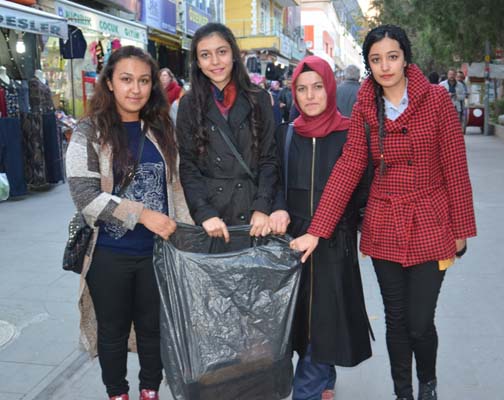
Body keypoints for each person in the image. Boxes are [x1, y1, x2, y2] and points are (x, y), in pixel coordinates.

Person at [290, 25, 477, 400]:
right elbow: (349, 167)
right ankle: (403, 393)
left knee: (420, 323)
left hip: (431, 225)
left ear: (406, 57)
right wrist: (318, 229)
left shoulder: (437, 101)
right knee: (395, 320)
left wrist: (461, 229)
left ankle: (428, 382)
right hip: (384, 227)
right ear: (369, 65)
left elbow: (455, 168)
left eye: (392, 56)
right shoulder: (364, 105)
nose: (385, 66)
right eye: (376, 59)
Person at [65, 46, 193, 400]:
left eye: (143, 81)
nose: (135, 89)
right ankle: (117, 393)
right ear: (108, 83)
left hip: (157, 254)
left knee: (155, 330)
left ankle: (149, 391)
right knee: (113, 331)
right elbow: (85, 195)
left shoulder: (161, 128)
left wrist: (189, 232)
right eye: (125, 80)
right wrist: (142, 214)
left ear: (153, 86)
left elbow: (177, 188)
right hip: (108, 254)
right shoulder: (88, 132)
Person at [269, 55, 372, 400]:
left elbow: (362, 192)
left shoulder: (351, 135)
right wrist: (278, 208)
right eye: (302, 89)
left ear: (329, 88)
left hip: (333, 249)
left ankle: (309, 390)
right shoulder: (286, 134)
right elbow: (274, 184)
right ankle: (324, 376)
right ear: (293, 94)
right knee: (299, 326)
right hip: (293, 246)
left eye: (317, 87)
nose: (310, 96)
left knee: (322, 325)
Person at [176, 22, 277, 243]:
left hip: (253, 215)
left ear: (233, 54)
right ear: (198, 62)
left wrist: (262, 206)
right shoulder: (189, 104)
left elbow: (269, 159)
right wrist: (204, 212)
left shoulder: (259, 98)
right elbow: (188, 165)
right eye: (205, 55)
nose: (215, 62)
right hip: (214, 217)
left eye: (221, 52)